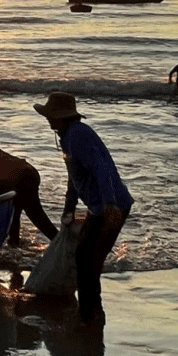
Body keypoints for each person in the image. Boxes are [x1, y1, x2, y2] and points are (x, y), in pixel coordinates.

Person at [33, 92, 133, 326]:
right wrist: (69, 208)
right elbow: (75, 178)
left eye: (50, 116)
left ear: (60, 117)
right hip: (98, 207)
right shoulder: (67, 137)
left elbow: (102, 170)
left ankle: (90, 317)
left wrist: (109, 205)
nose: (48, 121)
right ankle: (89, 313)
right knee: (83, 257)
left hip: (111, 207)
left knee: (90, 262)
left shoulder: (78, 136)